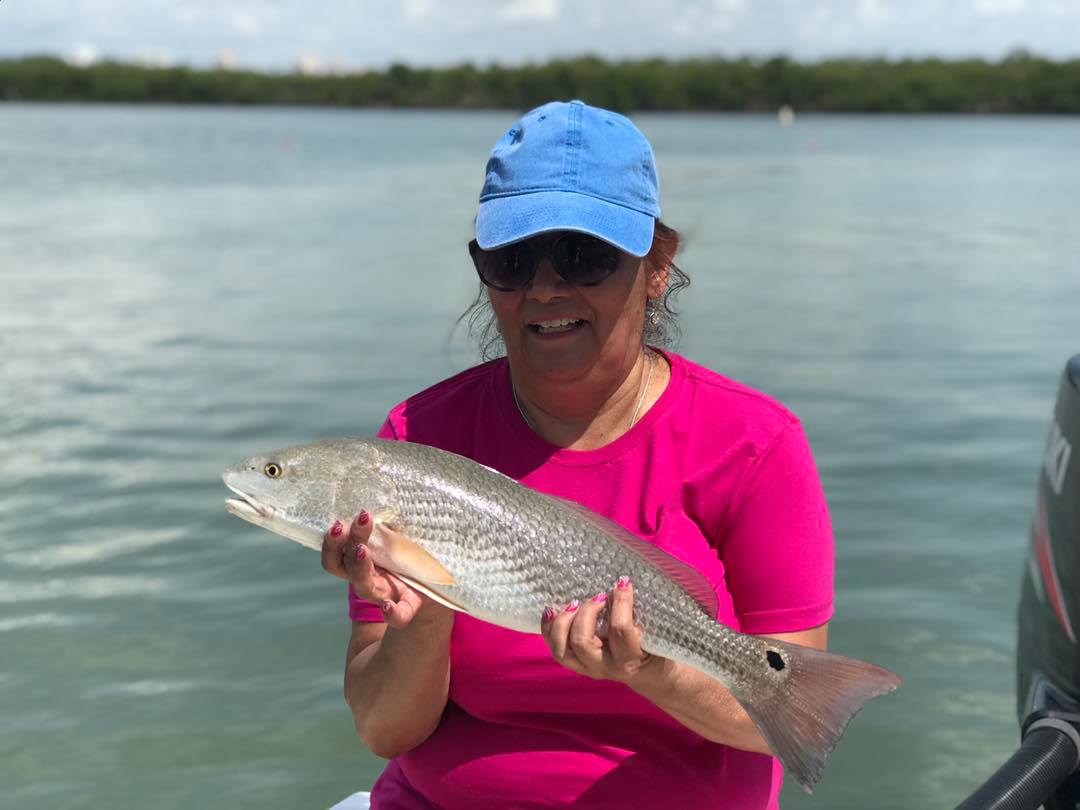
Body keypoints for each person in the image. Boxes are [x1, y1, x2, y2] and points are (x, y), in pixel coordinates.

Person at [320, 100, 834, 809]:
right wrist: (429, 611)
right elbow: (384, 729)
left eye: (585, 256)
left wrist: (652, 668)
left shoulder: (755, 444)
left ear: (657, 266)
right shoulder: (414, 442)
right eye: (512, 259)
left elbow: (783, 723)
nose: (545, 287)